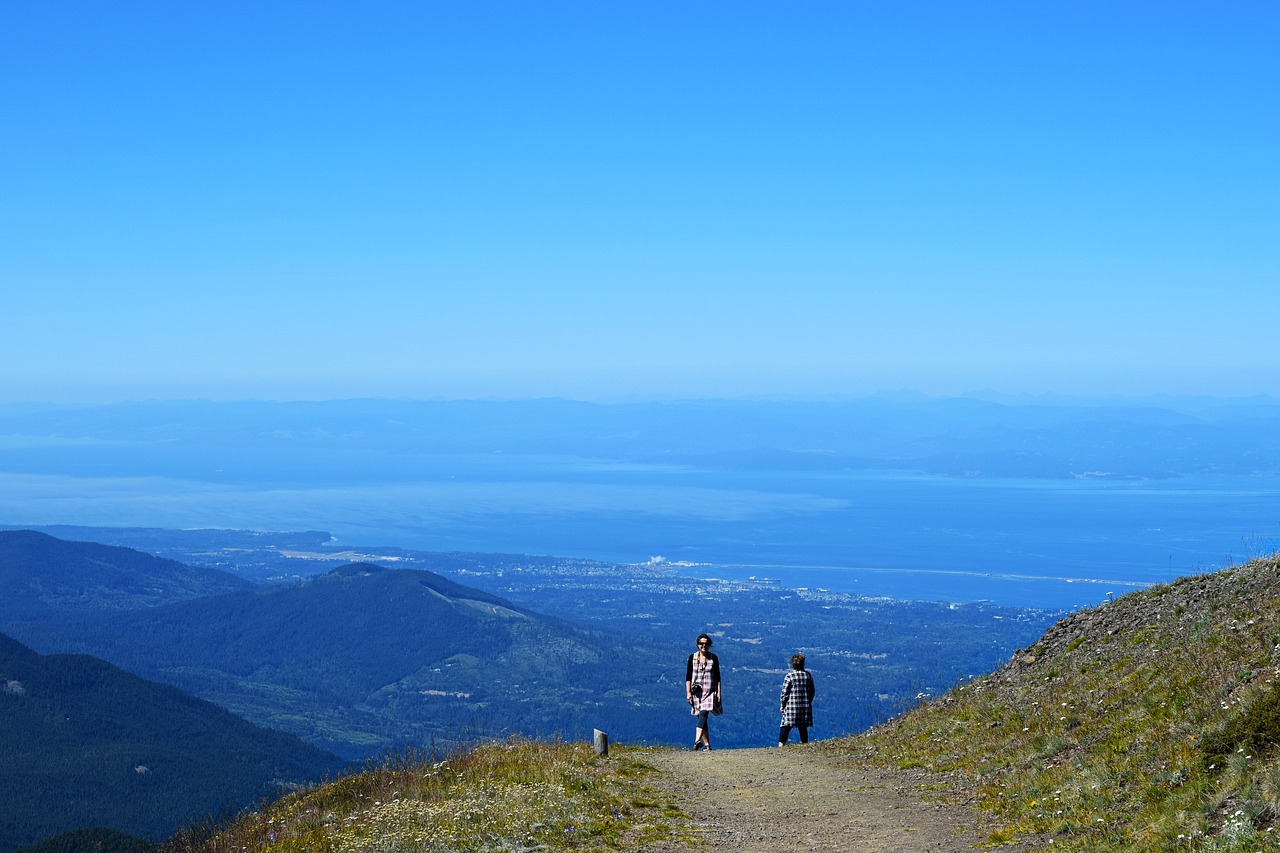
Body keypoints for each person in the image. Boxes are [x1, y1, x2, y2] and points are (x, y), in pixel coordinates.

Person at [685, 632, 721, 751]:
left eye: (705, 644)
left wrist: (719, 692)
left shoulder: (713, 658)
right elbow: (688, 677)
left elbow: (718, 677)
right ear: (697, 645)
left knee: (704, 714)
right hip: (697, 693)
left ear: (709, 645)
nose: (703, 646)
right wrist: (688, 693)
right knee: (702, 718)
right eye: (701, 644)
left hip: (710, 691)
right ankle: (707, 745)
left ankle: (696, 741)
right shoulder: (692, 658)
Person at [778, 652, 815, 746]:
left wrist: (783, 705)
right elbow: (812, 691)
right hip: (805, 706)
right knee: (803, 727)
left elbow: (785, 692)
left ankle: (781, 744)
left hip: (791, 706)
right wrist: (808, 701)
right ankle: (804, 744)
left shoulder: (790, 676)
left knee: (785, 725)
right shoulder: (807, 675)